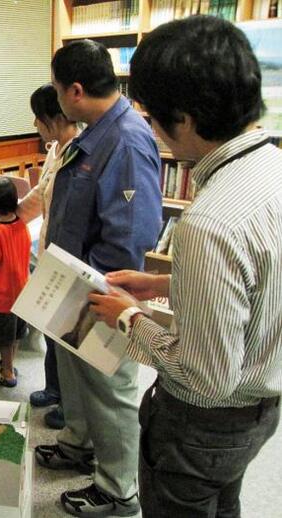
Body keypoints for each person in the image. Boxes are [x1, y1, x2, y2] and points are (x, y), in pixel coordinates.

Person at [88, 15, 282, 517]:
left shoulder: (210, 221)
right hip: (261, 410)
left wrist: (129, 318)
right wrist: (162, 282)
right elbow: (261, 277)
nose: (151, 131)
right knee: (222, 504)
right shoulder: (272, 168)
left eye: (153, 118)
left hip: (203, 424)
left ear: (188, 119)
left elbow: (205, 377)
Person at [33, 39, 163, 517]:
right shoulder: (93, 132)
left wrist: (99, 290)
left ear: (75, 90)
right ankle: (79, 443)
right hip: (73, 282)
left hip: (104, 291)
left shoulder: (126, 139)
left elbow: (133, 233)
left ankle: (118, 489)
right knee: (77, 377)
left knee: (110, 391)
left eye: (56, 88)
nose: (56, 97)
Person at [17, 83, 81, 428]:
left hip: (69, 260)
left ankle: (70, 405)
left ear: (51, 119)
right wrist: (12, 219)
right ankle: (54, 389)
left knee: (67, 337)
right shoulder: (56, 149)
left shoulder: (81, 150)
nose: (35, 126)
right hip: (48, 253)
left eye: (37, 120)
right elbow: (41, 195)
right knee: (50, 329)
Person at [0, 176, 31, 387]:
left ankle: (7, 373)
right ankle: (8, 363)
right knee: (16, 333)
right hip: (22, 292)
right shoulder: (23, 226)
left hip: (1, 297)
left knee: (4, 338)